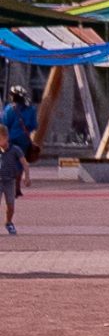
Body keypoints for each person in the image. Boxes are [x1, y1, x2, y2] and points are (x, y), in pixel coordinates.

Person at [1, 84, 37, 235]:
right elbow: (34, 125)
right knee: (19, 164)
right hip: (23, 141)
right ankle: (17, 186)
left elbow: (4, 124)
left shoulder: (9, 109)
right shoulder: (31, 109)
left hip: (11, 141)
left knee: (11, 162)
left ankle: (15, 186)